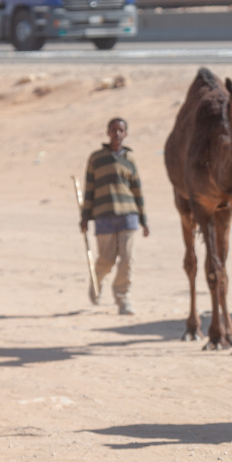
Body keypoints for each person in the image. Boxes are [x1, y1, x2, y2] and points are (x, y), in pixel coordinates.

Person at [80, 117, 149, 314]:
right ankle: (96, 282)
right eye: (113, 130)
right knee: (107, 259)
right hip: (103, 215)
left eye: (121, 130)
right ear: (108, 132)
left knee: (127, 259)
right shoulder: (96, 158)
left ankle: (122, 297)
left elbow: (137, 191)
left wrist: (144, 221)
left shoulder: (130, 160)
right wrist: (85, 217)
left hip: (128, 215)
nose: (117, 134)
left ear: (125, 134)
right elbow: (89, 189)